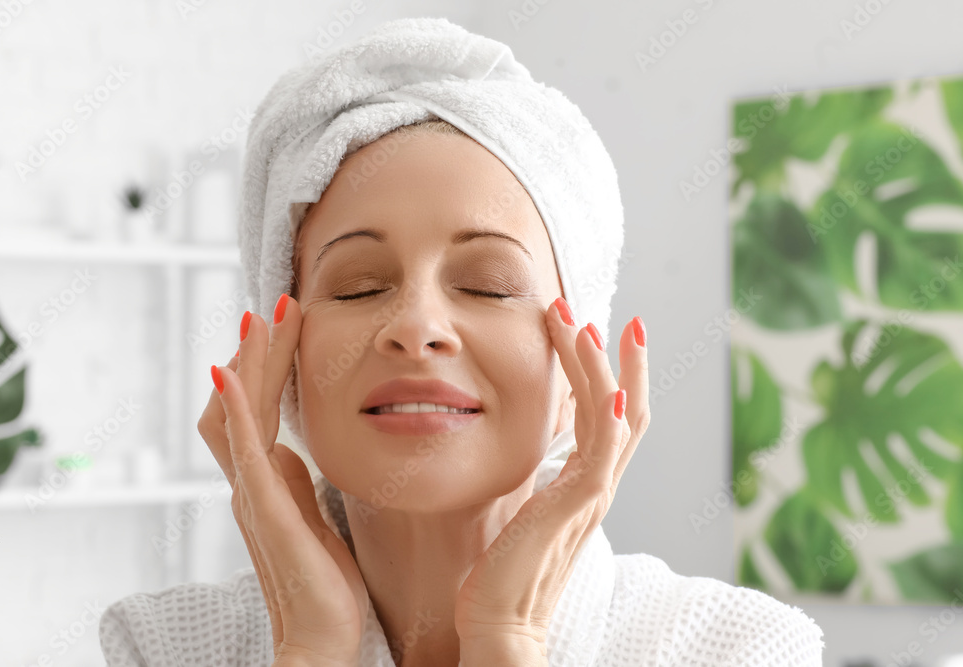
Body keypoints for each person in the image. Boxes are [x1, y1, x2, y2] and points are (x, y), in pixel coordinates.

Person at [99, 17, 825, 667]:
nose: (416, 326)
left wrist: (506, 639)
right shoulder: (162, 646)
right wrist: (313, 650)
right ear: (280, 362)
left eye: (487, 284)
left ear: (580, 365)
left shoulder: (732, 648)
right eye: (356, 286)